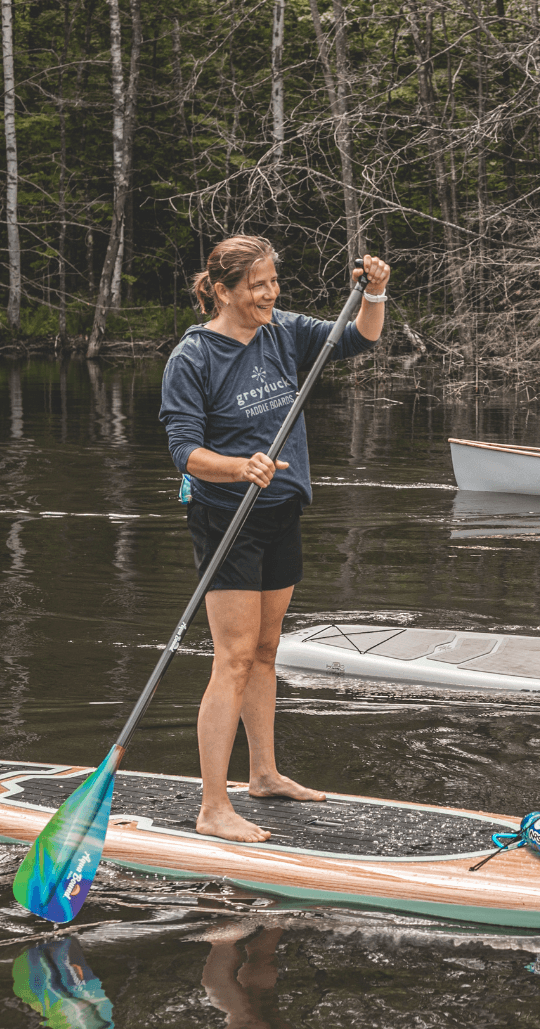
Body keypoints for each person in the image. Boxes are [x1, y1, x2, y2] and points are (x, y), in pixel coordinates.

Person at [159, 235, 389, 842]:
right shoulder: (193, 357)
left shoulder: (283, 331)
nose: (269, 293)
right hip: (226, 515)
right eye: (257, 285)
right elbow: (186, 452)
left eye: (272, 282)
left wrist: (376, 292)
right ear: (224, 290)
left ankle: (263, 774)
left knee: (266, 651)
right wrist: (239, 466)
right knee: (232, 659)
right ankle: (214, 807)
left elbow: (360, 337)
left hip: (281, 508)